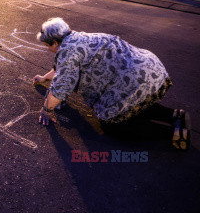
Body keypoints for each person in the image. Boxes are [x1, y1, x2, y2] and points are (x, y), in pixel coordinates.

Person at [34, 17, 191, 151]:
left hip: (131, 82)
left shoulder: (67, 52)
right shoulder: (79, 38)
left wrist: (46, 109)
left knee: (113, 126)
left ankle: (173, 133)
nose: (48, 49)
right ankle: (174, 115)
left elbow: (61, 88)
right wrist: (44, 78)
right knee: (134, 102)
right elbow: (62, 68)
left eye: (47, 45)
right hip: (149, 69)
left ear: (54, 42)